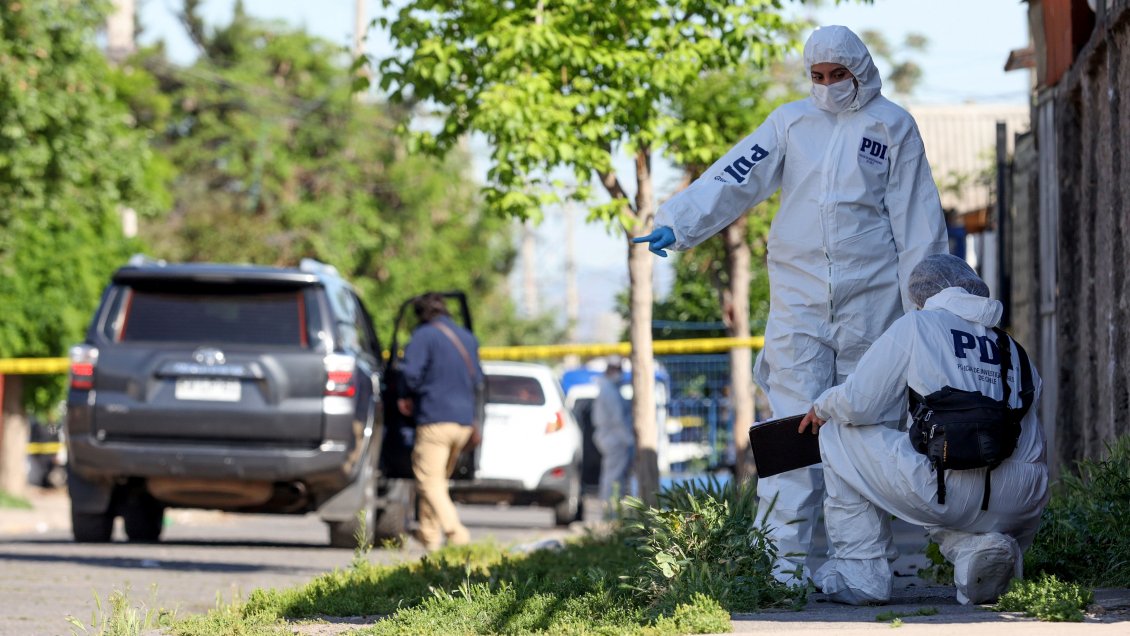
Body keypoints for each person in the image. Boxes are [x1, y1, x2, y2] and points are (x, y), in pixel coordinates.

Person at [634, 25, 948, 582]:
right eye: (818, 77)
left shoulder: (893, 127)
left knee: (864, 435)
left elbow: (918, 223)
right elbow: (736, 176)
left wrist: (929, 311)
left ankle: (863, 567)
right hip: (799, 305)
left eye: (838, 76)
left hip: (872, 307)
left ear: (862, 72)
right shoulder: (791, 123)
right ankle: (782, 568)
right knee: (788, 435)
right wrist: (676, 224)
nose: (827, 87)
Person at [797, 254, 1049, 606]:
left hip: (949, 491)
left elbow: (860, 402)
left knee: (839, 429)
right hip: (1021, 503)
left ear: (921, 295)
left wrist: (822, 406)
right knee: (942, 456)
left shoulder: (918, 326)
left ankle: (861, 572)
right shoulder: (1016, 352)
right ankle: (979, 550)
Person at [397, 292, 484, 551]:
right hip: (463, 423)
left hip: (435, 419)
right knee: (437, 483)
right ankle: (430, 539)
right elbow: (477, 379)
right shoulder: (467, 338)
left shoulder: (424, 335)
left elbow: (410, 374)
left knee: (428, 481)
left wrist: (404, 395)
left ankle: (457, 535)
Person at [591, 357, 634, 516]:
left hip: (613, 437)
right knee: (613, 478)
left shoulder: (610, 387)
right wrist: (628, 439)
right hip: (614, 438)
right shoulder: (608, 389)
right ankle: (609, 512)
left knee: (615, 477)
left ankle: (612, 510)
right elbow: (618, 419)